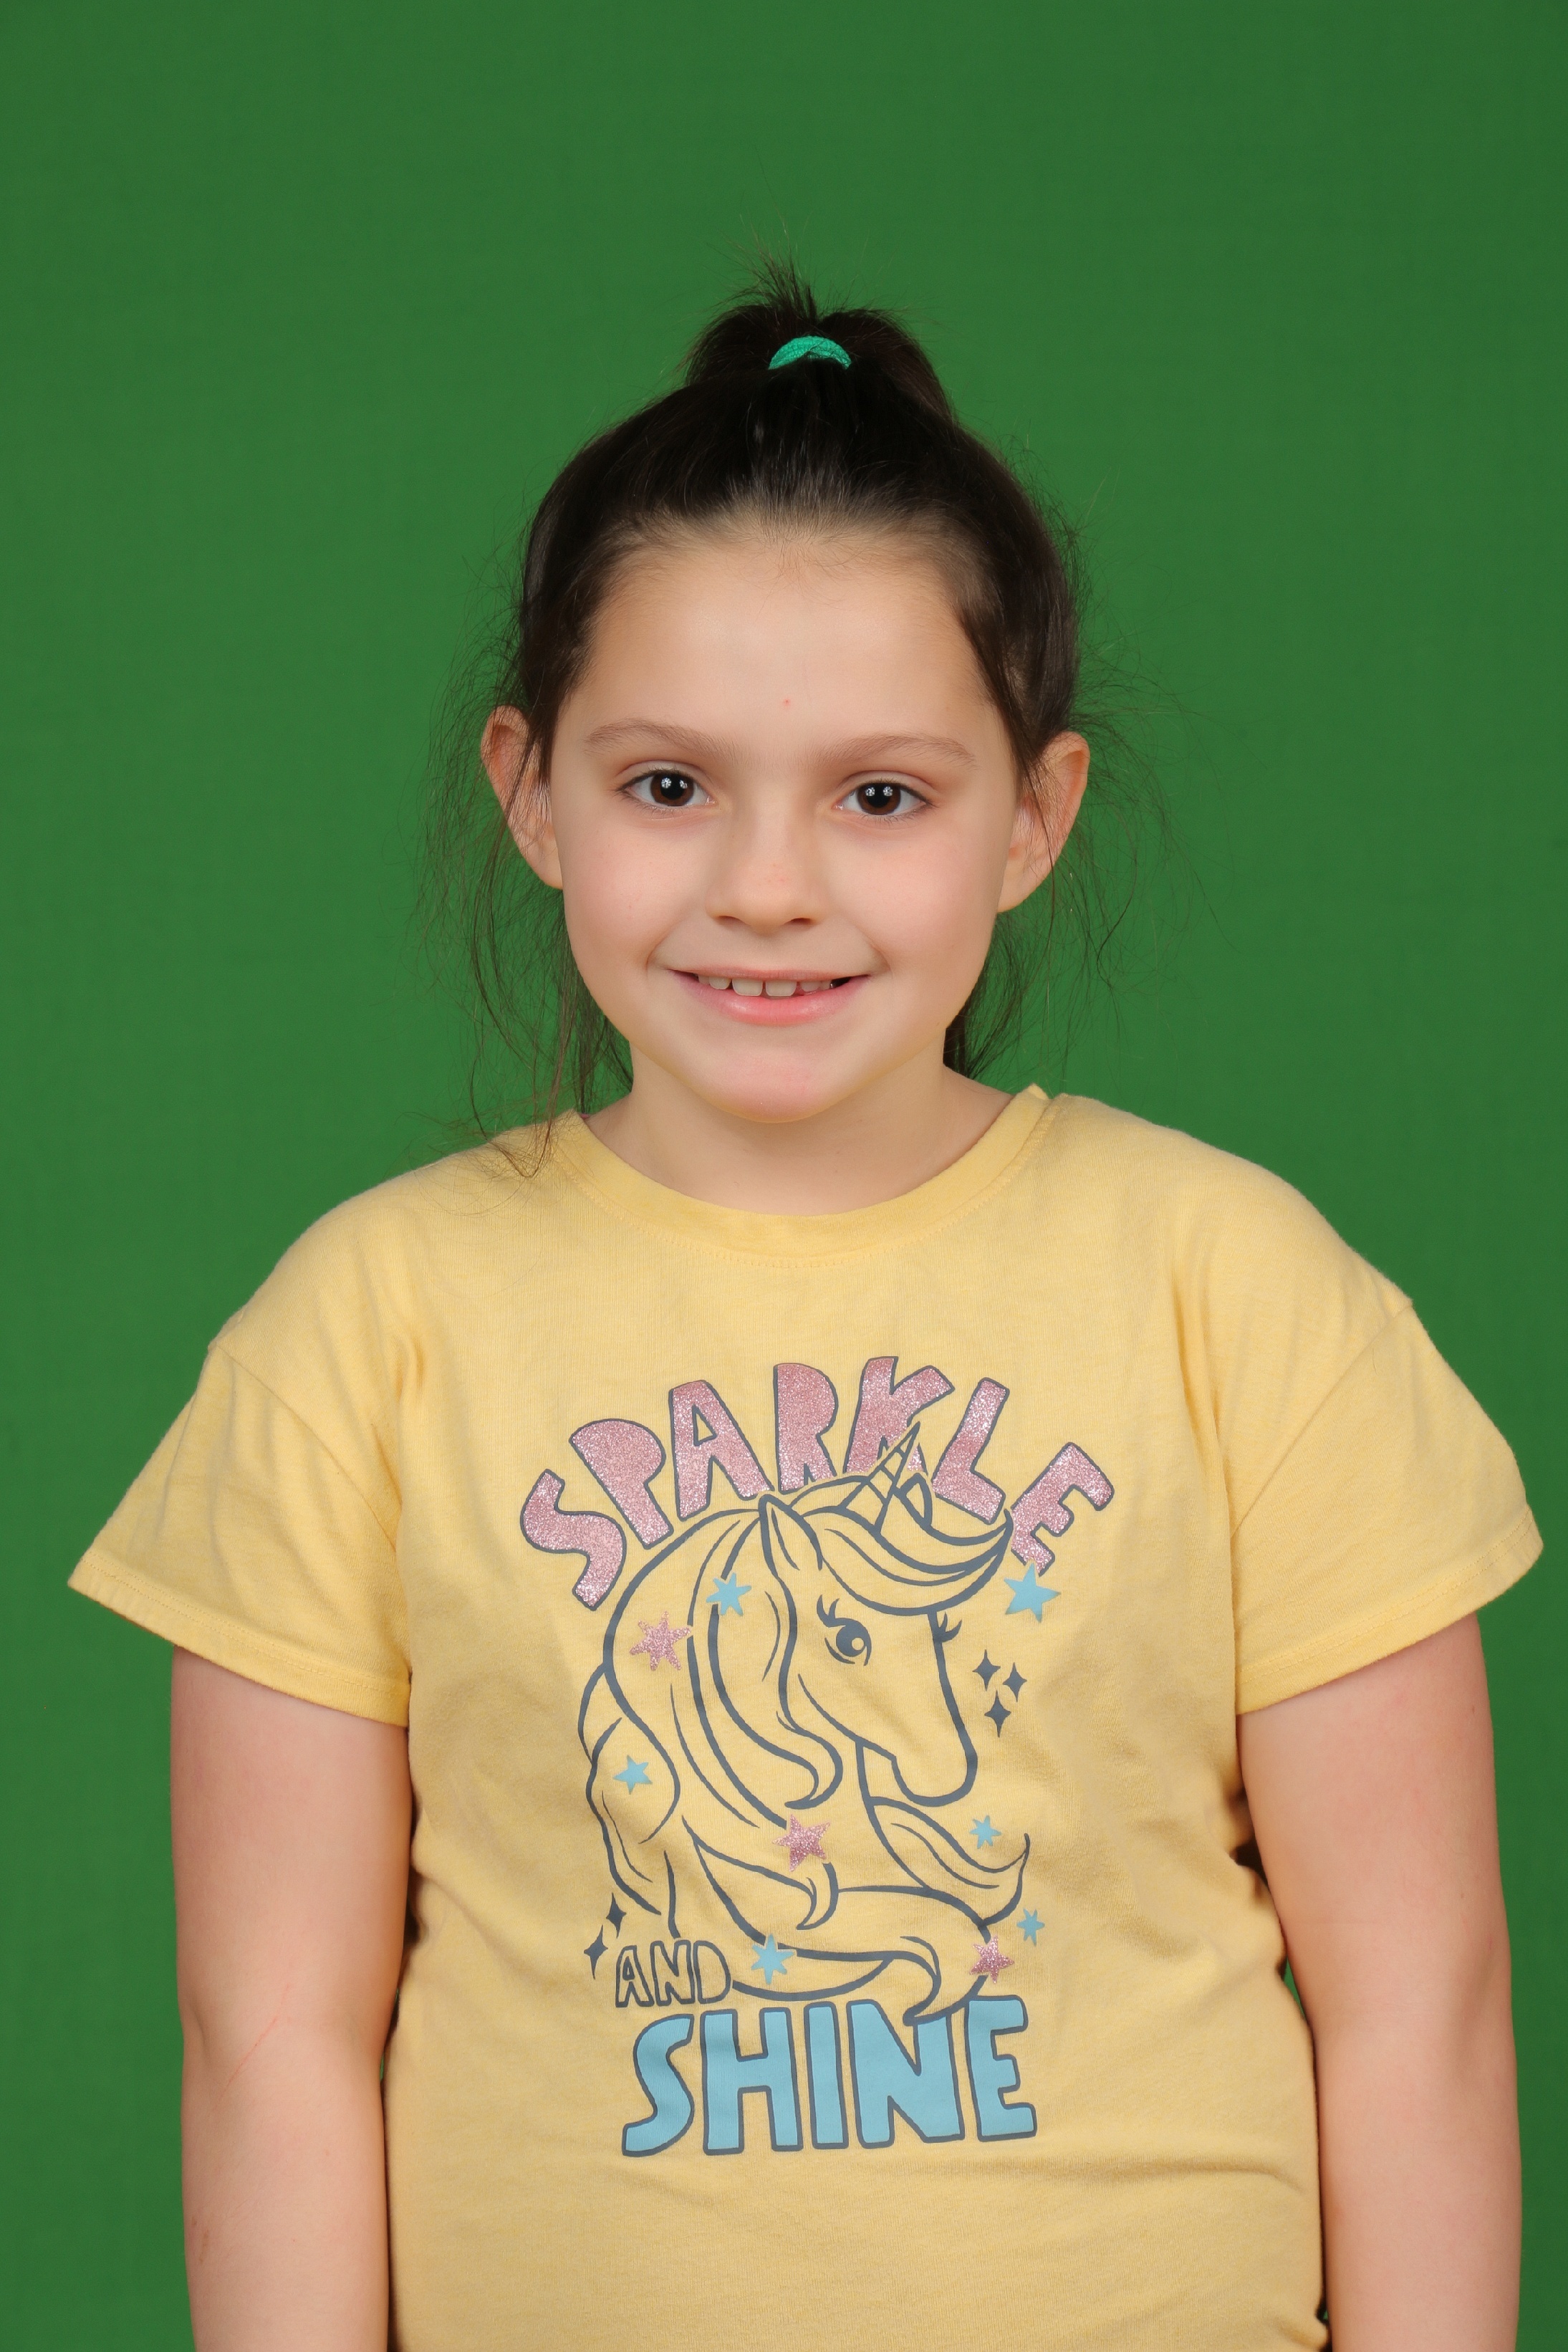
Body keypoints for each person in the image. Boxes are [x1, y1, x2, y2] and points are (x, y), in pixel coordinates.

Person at [71, 268, 1539, 2352]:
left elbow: (1419, 2008)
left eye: (882, 794)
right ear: (533, 791)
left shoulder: (1242, 1292)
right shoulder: (363, 1330)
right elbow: (273, 2038)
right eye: (671, 785)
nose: (768, 884)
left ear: (1033, 817)